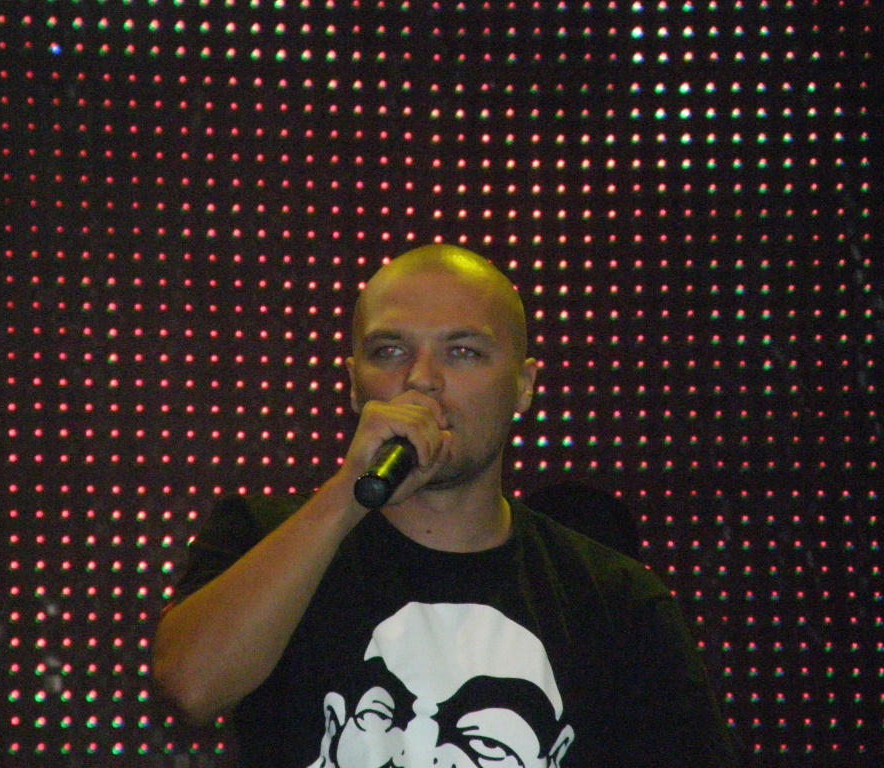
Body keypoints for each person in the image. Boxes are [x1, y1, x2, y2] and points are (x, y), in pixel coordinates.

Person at [153, 244, 738, 767]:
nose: (422, 379)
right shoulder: (267, 538)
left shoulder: (613, 601)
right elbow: (192, 687)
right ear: (353, 383)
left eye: (462, 351)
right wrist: (347, 497)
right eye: (389, 350)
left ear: (524, 385)